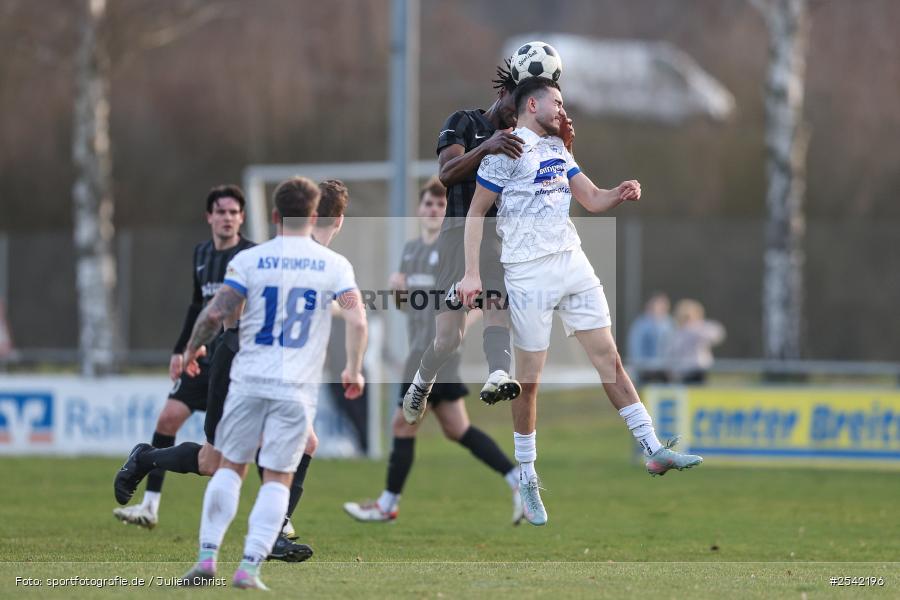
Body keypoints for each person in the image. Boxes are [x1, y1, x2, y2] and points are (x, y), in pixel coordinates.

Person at [458, 77, 703, 527]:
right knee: (528, 383)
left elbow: (590, 199)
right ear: (532, 103)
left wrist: (619, 192)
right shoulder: (506, 150)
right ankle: (528, 476)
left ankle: (652, 448)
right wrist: (472, 272)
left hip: (573, 265)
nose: (563, 109)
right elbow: (476, 212)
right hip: (528, 271)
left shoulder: (559, 149)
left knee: (609, 359)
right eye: (557, 101)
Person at [114, 180, 352, 563]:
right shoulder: (269, 257)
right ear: (337, 219)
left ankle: (271, 534)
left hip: (272, 368)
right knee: (217, 462)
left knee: (300, 444)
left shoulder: (319, 260)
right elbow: (220, 313)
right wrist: (191, 348)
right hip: (239, 363)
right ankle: (146, 460)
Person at [178, 176, 366, 589]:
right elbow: (357, 318)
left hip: (248, 380)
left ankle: (207, 560)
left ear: (276, 216)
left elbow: (214, 315)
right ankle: (249, 568)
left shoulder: (251, 259)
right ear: (315, 215)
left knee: (229, 467)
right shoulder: (334, 265)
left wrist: (191, 350)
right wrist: (353, 368)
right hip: (295, 390)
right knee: (279, 477)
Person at [343, 177, 523, 524]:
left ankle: (387, 504)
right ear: (419, 209)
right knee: (457, 429)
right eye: (428, 204)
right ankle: (519, 480)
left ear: (448, 212)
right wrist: (397, 291)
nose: (433, 210)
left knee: (401, 425)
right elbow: (407, 307)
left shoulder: (454, 247)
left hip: (435, 355)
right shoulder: (411, 250)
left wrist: (457, 333)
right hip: (419, 350)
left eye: (440, 205)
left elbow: (476, 301)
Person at [113, 185, 254, 530]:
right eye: (221, 211)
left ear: (242, 218)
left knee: (227, 455)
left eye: (234, 212)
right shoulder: (202, 254)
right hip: (206, 355)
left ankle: (278, 522)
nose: (228, 218)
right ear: (209, 216)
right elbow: (197, 307)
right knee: (168, 420)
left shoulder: (251, 255)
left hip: (238, 358)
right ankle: (149, 506)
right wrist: (182, 349)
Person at [401, 59, 526, 426]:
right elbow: (446, 173)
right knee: (448, 340)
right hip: (457, 236)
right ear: (503, 93)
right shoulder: (463, 122)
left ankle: (499, 372)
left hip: (499, 239)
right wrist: (488, 146)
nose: (518, 116)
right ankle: (422, 382)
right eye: (516, 105)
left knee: (497, 302)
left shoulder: (523, 141)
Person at [665, 299, 725, 384]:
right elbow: (672, 353)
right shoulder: (677, 333)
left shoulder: (701, 328)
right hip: (683, 372)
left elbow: (717, 334)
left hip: (699, 370)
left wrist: (696, 329)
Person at [627, 293, 674, 384]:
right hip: (645, 370)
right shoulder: (641, 324)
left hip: (664, 371)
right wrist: (639, 366)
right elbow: (636, 347)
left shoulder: (669, 323)